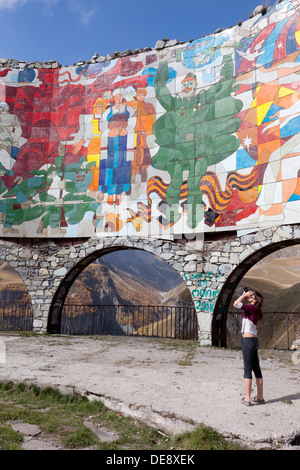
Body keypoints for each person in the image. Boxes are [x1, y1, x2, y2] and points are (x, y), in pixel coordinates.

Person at [233, 289, 265, 406]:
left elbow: (236, 304)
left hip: (248, 341)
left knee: (247, 369)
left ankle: (247, 398)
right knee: (256, 369)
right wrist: (247, 296)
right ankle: (260, 397)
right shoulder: (255, 310)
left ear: (256, 301)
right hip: (254, 340)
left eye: (253, 296)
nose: (250, 297)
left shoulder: (252, 308)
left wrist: (243, 295)